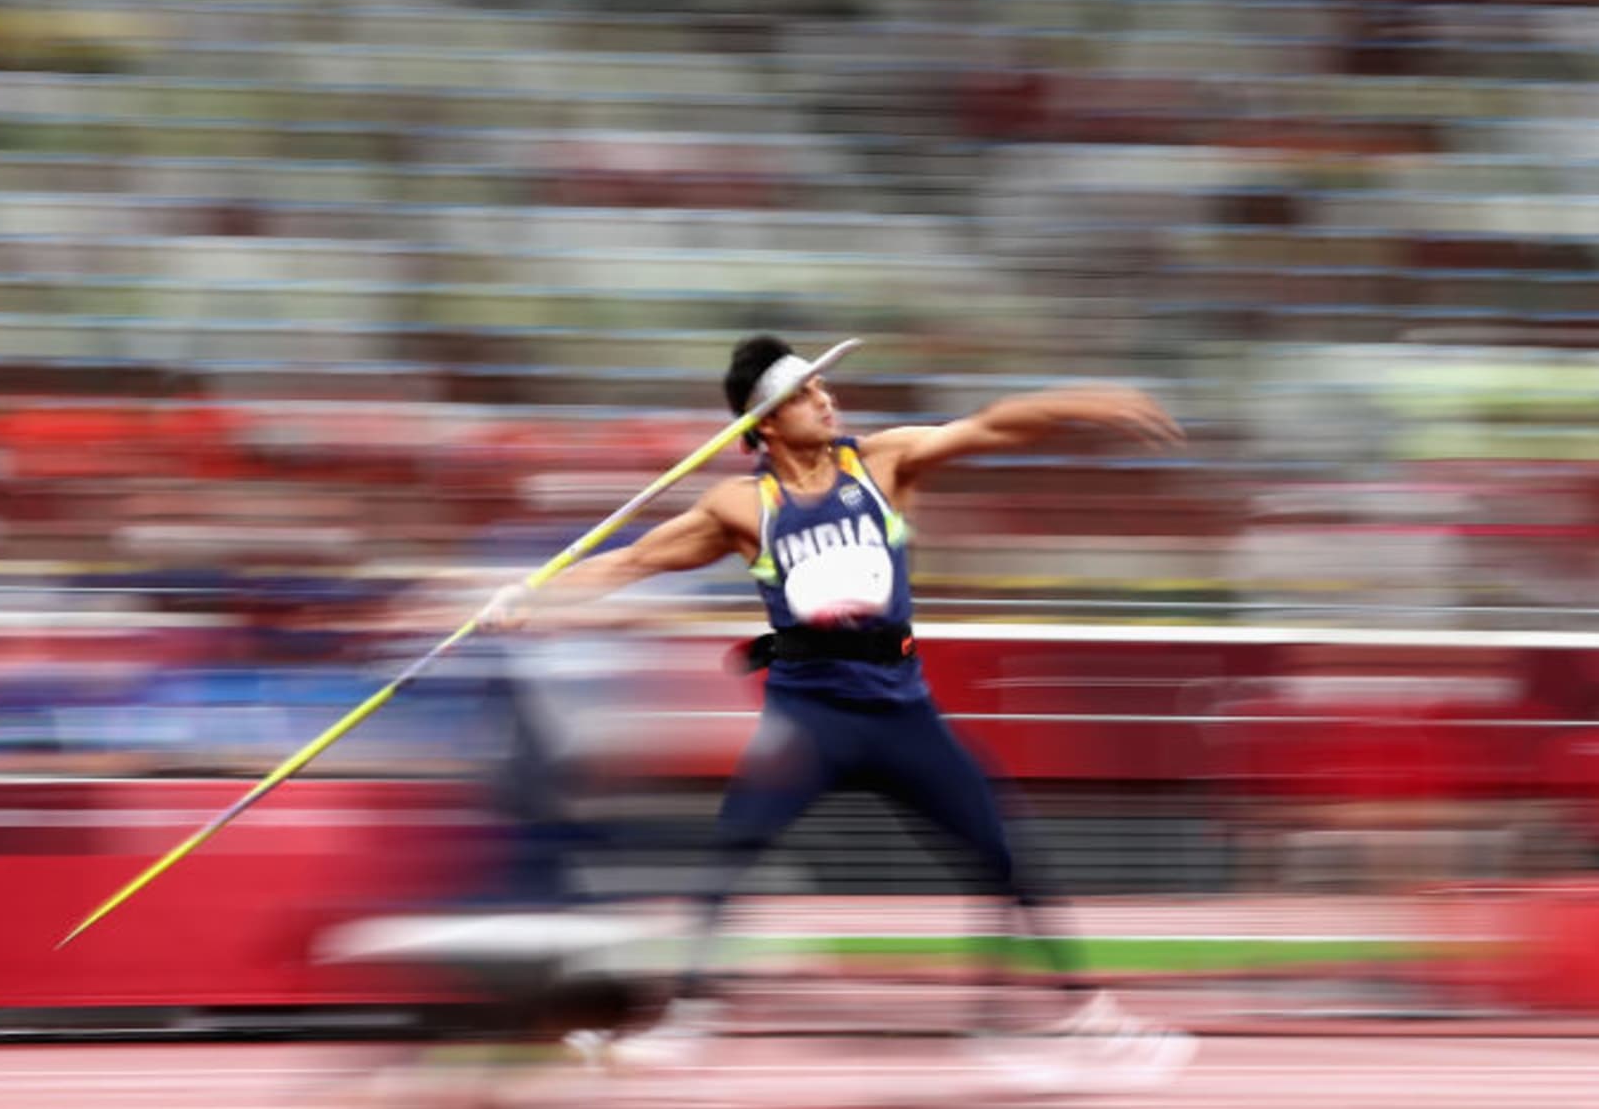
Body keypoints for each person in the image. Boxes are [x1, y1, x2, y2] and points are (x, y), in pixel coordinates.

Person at [482, 334, 1194, 1082]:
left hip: (899, 710)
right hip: (809, 719)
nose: (826, 399)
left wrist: (1081, 404)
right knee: (731, 853)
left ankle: (1085, 1015)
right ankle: (681, 1020)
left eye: (824, 388)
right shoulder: (740, 505)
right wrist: (532, 599)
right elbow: (631, 560)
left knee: (1004, 851)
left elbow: (992, 426)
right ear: (760, 425)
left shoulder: (882, 462)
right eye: (804, 393)